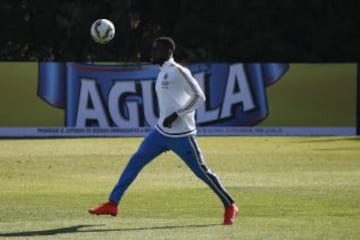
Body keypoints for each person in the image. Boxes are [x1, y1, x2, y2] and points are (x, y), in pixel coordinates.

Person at [88, 36, 239, 225]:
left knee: (202, 172)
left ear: (168, 51)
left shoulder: (178, 71)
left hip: (183, 135)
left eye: (156, 49)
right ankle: (113, 203)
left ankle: (230, 205)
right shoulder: (162, 72)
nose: (152, 53)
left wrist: (177, 115)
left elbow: (199, 97)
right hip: (160, 133)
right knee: (135, 161)